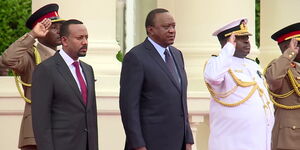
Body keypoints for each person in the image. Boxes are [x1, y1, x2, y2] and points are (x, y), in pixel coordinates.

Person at [119, 8, 194, 150]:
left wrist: (188, 139)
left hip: (178, 142)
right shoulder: (136, 57)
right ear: (150, 30)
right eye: (166, 27)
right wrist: (138, 145)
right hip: (150, 142)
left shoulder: (177, 55)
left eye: (173, 26)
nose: (172, 30)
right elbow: (129, 107)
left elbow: (181, 102)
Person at [203, 18, 274, 150]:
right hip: (233, 143)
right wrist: (229, 48)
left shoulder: (253, 65)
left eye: (247, 37)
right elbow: (213, 77)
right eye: (241, 38)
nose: (247, 41)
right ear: (228, 41)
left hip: (258, 141)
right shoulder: (216, 63)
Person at [1, 3, 64, 150]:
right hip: (36, 131)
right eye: (53, 27)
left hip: (63, 131)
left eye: (60, 27)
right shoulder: (30, 55)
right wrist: (32, 36)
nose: (59, 32)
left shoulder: (65, 58)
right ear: (40, 29)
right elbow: (7, 60)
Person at [31, 19, 98, 150]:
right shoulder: (46, 69)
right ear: (64, 41)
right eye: (79, 38)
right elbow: (41, 121)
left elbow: (90, 115)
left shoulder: (88, 70)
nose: (85, 42)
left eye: (86, 37)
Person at [265, 23, 300, 150]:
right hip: (290, 140)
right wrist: (289, 55)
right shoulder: (279, 67)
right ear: (287, 47)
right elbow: (273, 79)